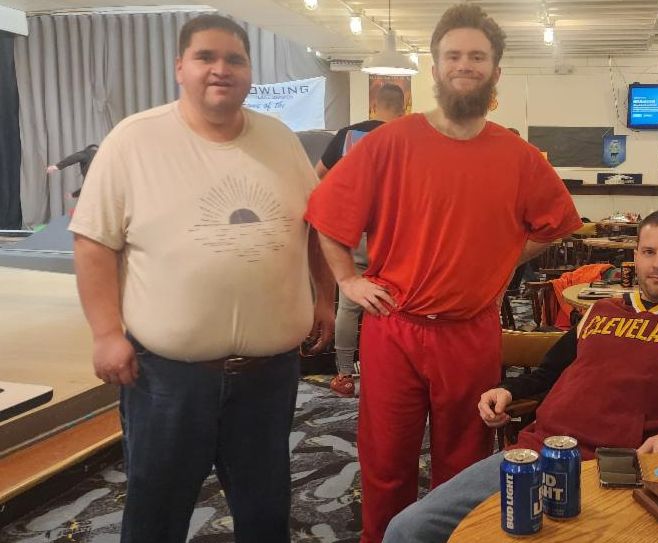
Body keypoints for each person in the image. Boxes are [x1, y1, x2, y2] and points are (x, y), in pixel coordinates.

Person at [304, 4, 582, 541]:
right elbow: (324, 215)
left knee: (466, 461)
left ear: (496, 70)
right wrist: (347, 281)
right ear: (434, 68)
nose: (464, 65)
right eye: (453, 55)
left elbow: (557, 225)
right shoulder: (389, 142)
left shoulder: (519, 156)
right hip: (395, 327)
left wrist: (501, 259)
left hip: (469, 331)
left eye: (477, 56)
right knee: (386, 460)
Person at [68, 14, 335, 543]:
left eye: (234, 59)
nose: (221, 69)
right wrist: (105, 333)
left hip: (268, 375)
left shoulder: (279, 140)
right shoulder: (134, 141)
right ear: (179, 68)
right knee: (156, 514)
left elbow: (315, 228)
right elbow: (94, 242)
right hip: (168, 378)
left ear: (249, 70)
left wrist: (324, 299)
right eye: (205, 57)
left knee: (265, 512)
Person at [383, 209, 658, 543]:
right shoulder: (600, 311)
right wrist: (507, 390)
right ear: (635, 256)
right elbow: (549, 374)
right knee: (407, 529)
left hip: (622, 475)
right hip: (539, 452)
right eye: (649, 251)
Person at [317, 84, 406, 398]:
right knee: (393, 301)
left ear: (373, 105)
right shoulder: (409, 137)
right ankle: (386, 370)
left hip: (356, 230)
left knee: (350, 302)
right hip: (398, 233)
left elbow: (318, 176)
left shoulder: (349, 135)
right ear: (404, 107)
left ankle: (344, 374)